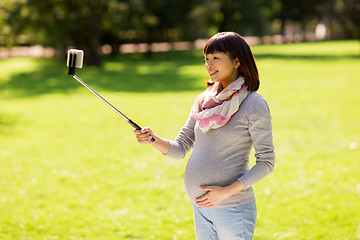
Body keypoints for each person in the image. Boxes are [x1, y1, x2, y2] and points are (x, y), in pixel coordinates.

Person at [134, 32, 275, 240]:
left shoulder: (254, 103)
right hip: (201, 208)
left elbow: (267, 162)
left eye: (216, 58)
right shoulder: (203, 101)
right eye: (206, 59)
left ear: (236, 61)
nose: (209, 65)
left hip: (233, 208)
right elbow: (181, 147)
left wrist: (225, 192)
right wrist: (152, 139)